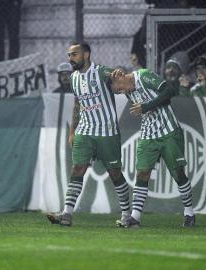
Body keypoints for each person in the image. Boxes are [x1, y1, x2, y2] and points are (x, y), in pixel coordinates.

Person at [46, 42, 130, 227]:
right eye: (69, 55)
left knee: (115, 173)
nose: (70, 59)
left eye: (74, 54)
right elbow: (77, 104)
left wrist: (117, 73)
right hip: (85, 131)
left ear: (86, 55)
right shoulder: (74, 77)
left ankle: (127, 214)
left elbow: (115, 74)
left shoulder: (100, 72)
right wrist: (72, 131)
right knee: (77, 169)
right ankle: (66, 214)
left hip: (107, 131)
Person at [110, 69, 196, 228]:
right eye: (118, 92)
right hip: (148, 133)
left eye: (120, 87)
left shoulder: (144, 76)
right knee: (142, 173)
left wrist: (146, 106)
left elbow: (169, 90)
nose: (122, 92)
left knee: (178, 173)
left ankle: (189, 212)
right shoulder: (128, 90)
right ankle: (135, 217)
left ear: (121, 75)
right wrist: (144, 108)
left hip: (169, 130)